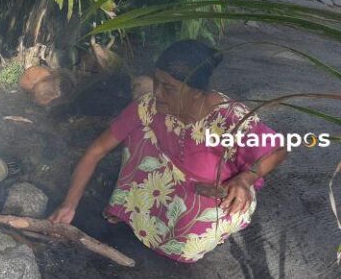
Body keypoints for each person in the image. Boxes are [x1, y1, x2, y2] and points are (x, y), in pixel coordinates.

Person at [48, 40, 288, 262]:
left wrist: (245, 179)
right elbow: (97, 150)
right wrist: (69, 205)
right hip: (166, 181)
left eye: (169, 88)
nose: (158, 93)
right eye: (156, 82)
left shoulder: (230, 117)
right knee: (141, 133)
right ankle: (130, 208)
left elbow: (279, 150)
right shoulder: (149, 106)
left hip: (215, 190)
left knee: (185, 245)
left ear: (195, 92)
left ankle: (188, 221)